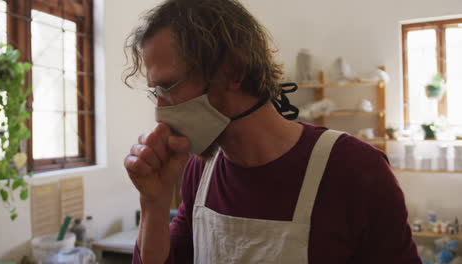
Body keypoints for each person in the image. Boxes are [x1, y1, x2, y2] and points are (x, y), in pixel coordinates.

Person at [123, 0, 422, 263]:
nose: (160, 109)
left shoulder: (355, 170)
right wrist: (154, 204)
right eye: (156, 92)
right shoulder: (199, 173)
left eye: (168, 87)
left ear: (234, 71)